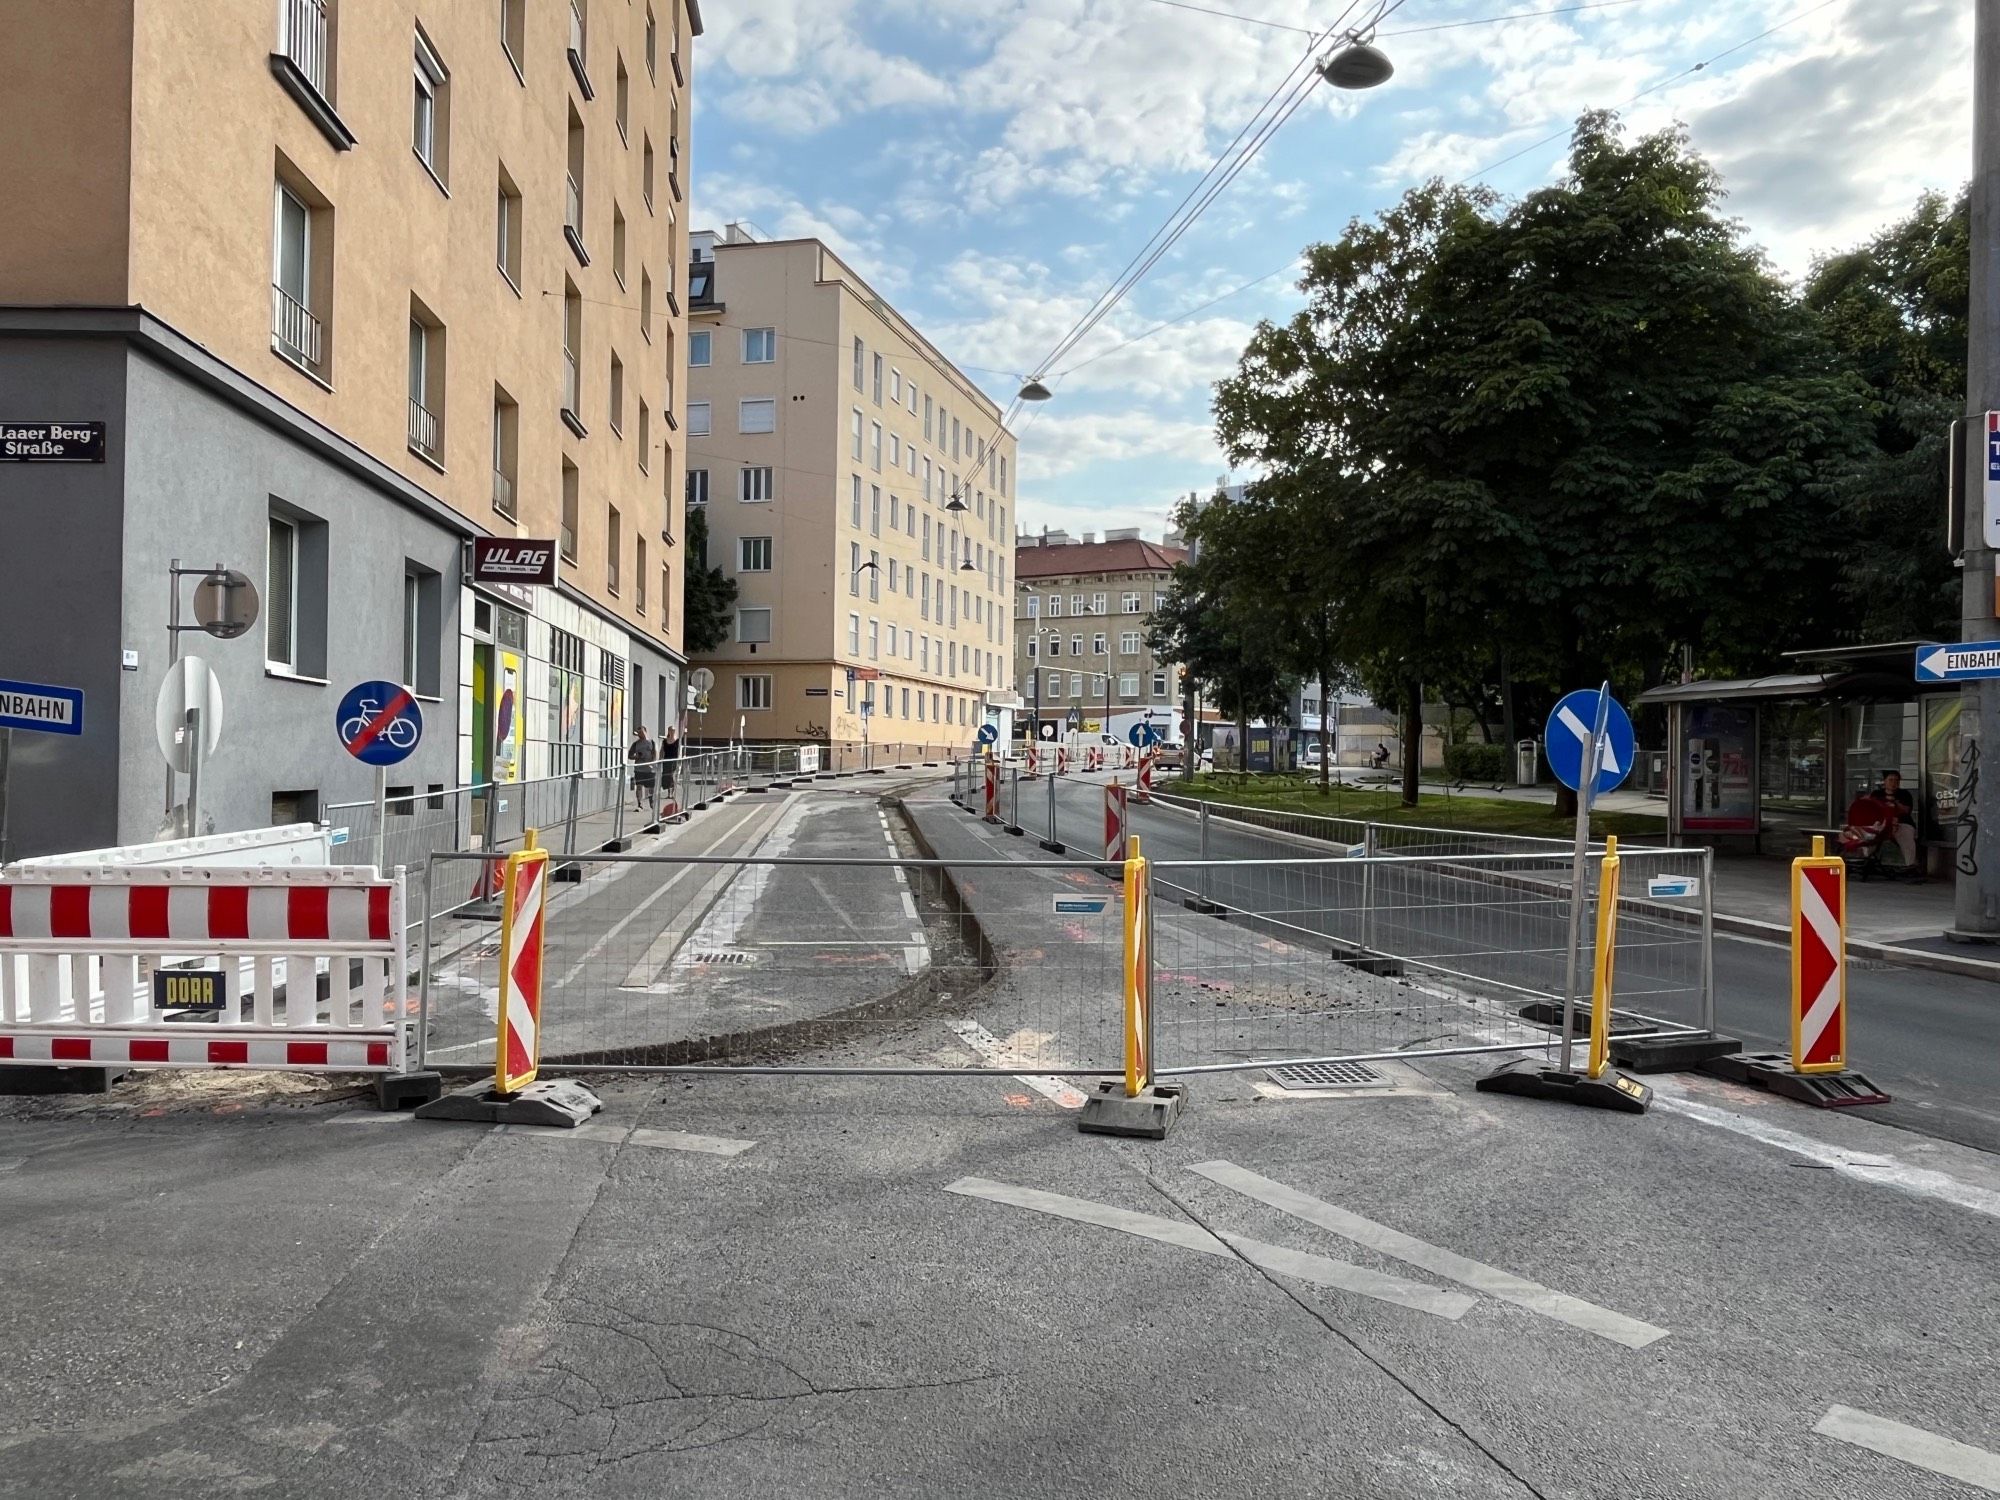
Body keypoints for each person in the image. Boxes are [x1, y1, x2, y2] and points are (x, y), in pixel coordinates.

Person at [1878, 769, 1918, 870]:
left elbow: (1906, 810)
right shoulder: (1877, 794)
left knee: (1906, 836)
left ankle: (1910, 866)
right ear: (1884, 781)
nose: (1893, 783)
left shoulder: (1904, 794)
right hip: (1882, 823)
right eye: (1890, 780)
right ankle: (1865, 858)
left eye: (1896, 780)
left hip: (1901, 823)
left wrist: (1896, 804)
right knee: (1869, 834)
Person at [628, 725, 657, 812]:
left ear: (645, 732)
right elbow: (630, 755)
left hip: (650, 769)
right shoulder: (636, 744)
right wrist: (636, 757)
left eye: (641, 732)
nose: (640, 735)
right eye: (638, 733)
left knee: (651, 787)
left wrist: (653, 763)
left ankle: (652, 802)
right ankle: (640, 804)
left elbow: (655, 753)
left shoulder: (651, 742)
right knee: (639, 786)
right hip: (639, 768)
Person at [661, 724, 682, 803]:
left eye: (673, 730)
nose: (672, 732)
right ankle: (669, 793)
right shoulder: (665, 741)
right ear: (668, 731)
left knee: (672, 776)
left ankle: (673, 793)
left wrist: (679, 760)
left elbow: (679, 751)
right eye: (670, 730)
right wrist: (660, 759)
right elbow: (662, 751)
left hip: (674, 760)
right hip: (666, 760)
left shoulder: (677, 741)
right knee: (667, 777)